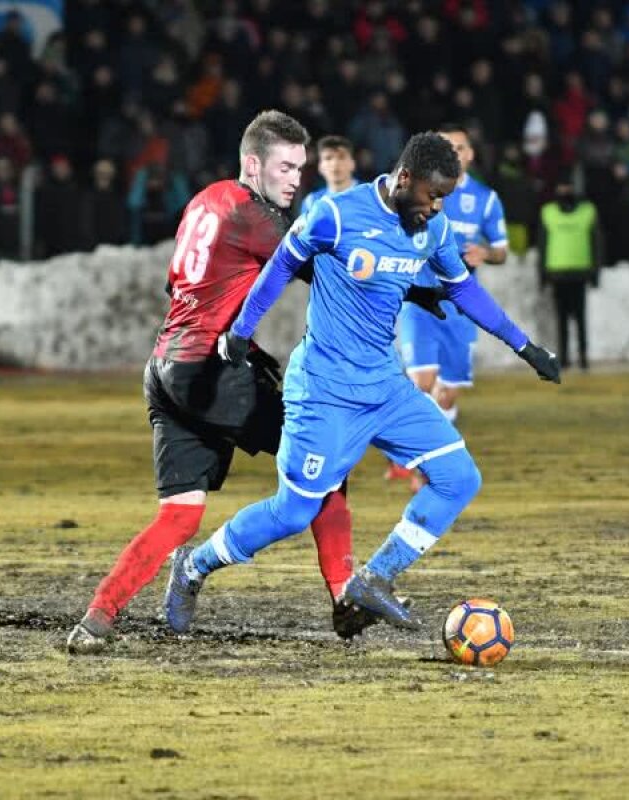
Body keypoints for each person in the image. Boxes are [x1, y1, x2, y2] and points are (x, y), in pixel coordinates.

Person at [163, 133, 560, 634]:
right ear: (405, 178)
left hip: (384, 387)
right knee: (291, 512)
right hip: (324, 389)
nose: (437, 209)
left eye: (444, 200)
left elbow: (465, 292)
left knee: (460, 478)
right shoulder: (336, 214)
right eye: (432, 196)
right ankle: (193, 567)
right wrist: (242, 330)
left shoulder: (432, 232)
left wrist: (526, 348)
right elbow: (283, 263)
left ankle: (373, 579)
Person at [64, 111, 362, 655]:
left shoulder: (205, 200)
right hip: (209, 372)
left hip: (165, 369)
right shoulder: (255, 215)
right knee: (328, 462)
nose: (297, 179)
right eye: (286, 167)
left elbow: (175, 282)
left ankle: (97, 618)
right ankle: (345, 595)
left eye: (301, 167)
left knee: (179, 515)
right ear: (254, 164)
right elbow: (326, 274)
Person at [390, 124, 508, 490]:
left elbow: (502, 250)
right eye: (448, 148)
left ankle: (430, 454)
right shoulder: (419, 189)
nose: (455, 153)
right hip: (421, 300)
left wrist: (486, 253)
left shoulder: (486, 199)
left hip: (460, 306)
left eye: (460, 147)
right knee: (421, 383)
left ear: (471, 154)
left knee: (448, 393)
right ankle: (421, 464)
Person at [537, 181, 601, 371]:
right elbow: (543, 244)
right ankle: (565, 358)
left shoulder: (587, 211)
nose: (564, 192)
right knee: (562, 320)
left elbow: (596, 242)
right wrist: (542, 274)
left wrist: (596, 271)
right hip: (558, 273)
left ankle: (582, 357)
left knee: (579, 319)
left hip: (578, 273)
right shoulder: (548, 212)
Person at [299, 135, 357, 218]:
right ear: (320, 166)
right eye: (328, 158)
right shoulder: (311, 202)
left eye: (341, 157)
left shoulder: (371, 196)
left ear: (352, 163)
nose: (335, 163)